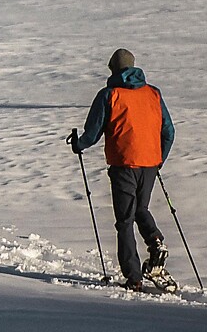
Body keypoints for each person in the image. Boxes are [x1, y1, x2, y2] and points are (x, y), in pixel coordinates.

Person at [68, 48, 176, 291]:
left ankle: (134, 277)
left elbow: (93, 133)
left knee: (125, 220)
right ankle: (155, 239)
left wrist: (78, 144)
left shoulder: (109, 95)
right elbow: (169, 132)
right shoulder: (153, 94)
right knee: (141, 209)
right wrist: (158, 159)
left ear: (113, 69)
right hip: (149, 165)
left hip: (123, 165)